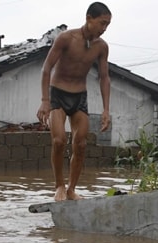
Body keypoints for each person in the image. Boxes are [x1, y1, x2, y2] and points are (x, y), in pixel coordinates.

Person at [36, 2, 112, 201]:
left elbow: (104, 78)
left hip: (80, 97)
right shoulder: (66, 39)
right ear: (89, 18)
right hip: (58, 94)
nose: (104, 29)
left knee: (81, 144)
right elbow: (46, 68)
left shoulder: (101, 47)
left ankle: (71, 189)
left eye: (107, 25)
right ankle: (59, 186)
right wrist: (45, 100)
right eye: (102, 23)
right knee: (59, 140)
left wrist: (106, 110)